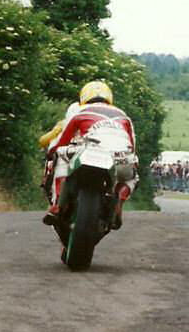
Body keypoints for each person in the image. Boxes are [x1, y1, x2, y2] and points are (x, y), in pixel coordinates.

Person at [43, 80, 137, 230]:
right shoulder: (124, 117)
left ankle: (57, 206)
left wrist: (51, 152)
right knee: (132, 177)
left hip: (91, 152)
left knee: (60, 157)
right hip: (121, 158)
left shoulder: (80, 112)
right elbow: (132, 146)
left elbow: (61, 141)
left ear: (83, 97)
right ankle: (119, 200)